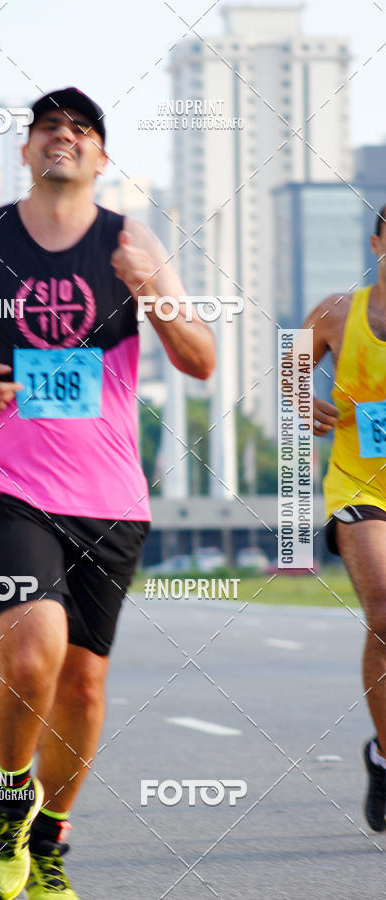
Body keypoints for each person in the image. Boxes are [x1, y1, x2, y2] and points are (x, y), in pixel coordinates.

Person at [0, 86, 215, 899]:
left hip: (109, 495)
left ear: (102, 157)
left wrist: (154, 289)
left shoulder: (130, 242)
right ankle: (9, 802)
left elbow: (201, 359)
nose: (62, 138)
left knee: (83, 682)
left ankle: (50, 845)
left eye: (80, 130)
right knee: (32, 651)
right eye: (47, 129)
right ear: (28, 151)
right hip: (3, 485)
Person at [304, 202, 386, 832]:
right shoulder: (339, 312)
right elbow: (289, 365)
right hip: (358, 485)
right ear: (376, 242)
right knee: (384, 610)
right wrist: (302, 400)